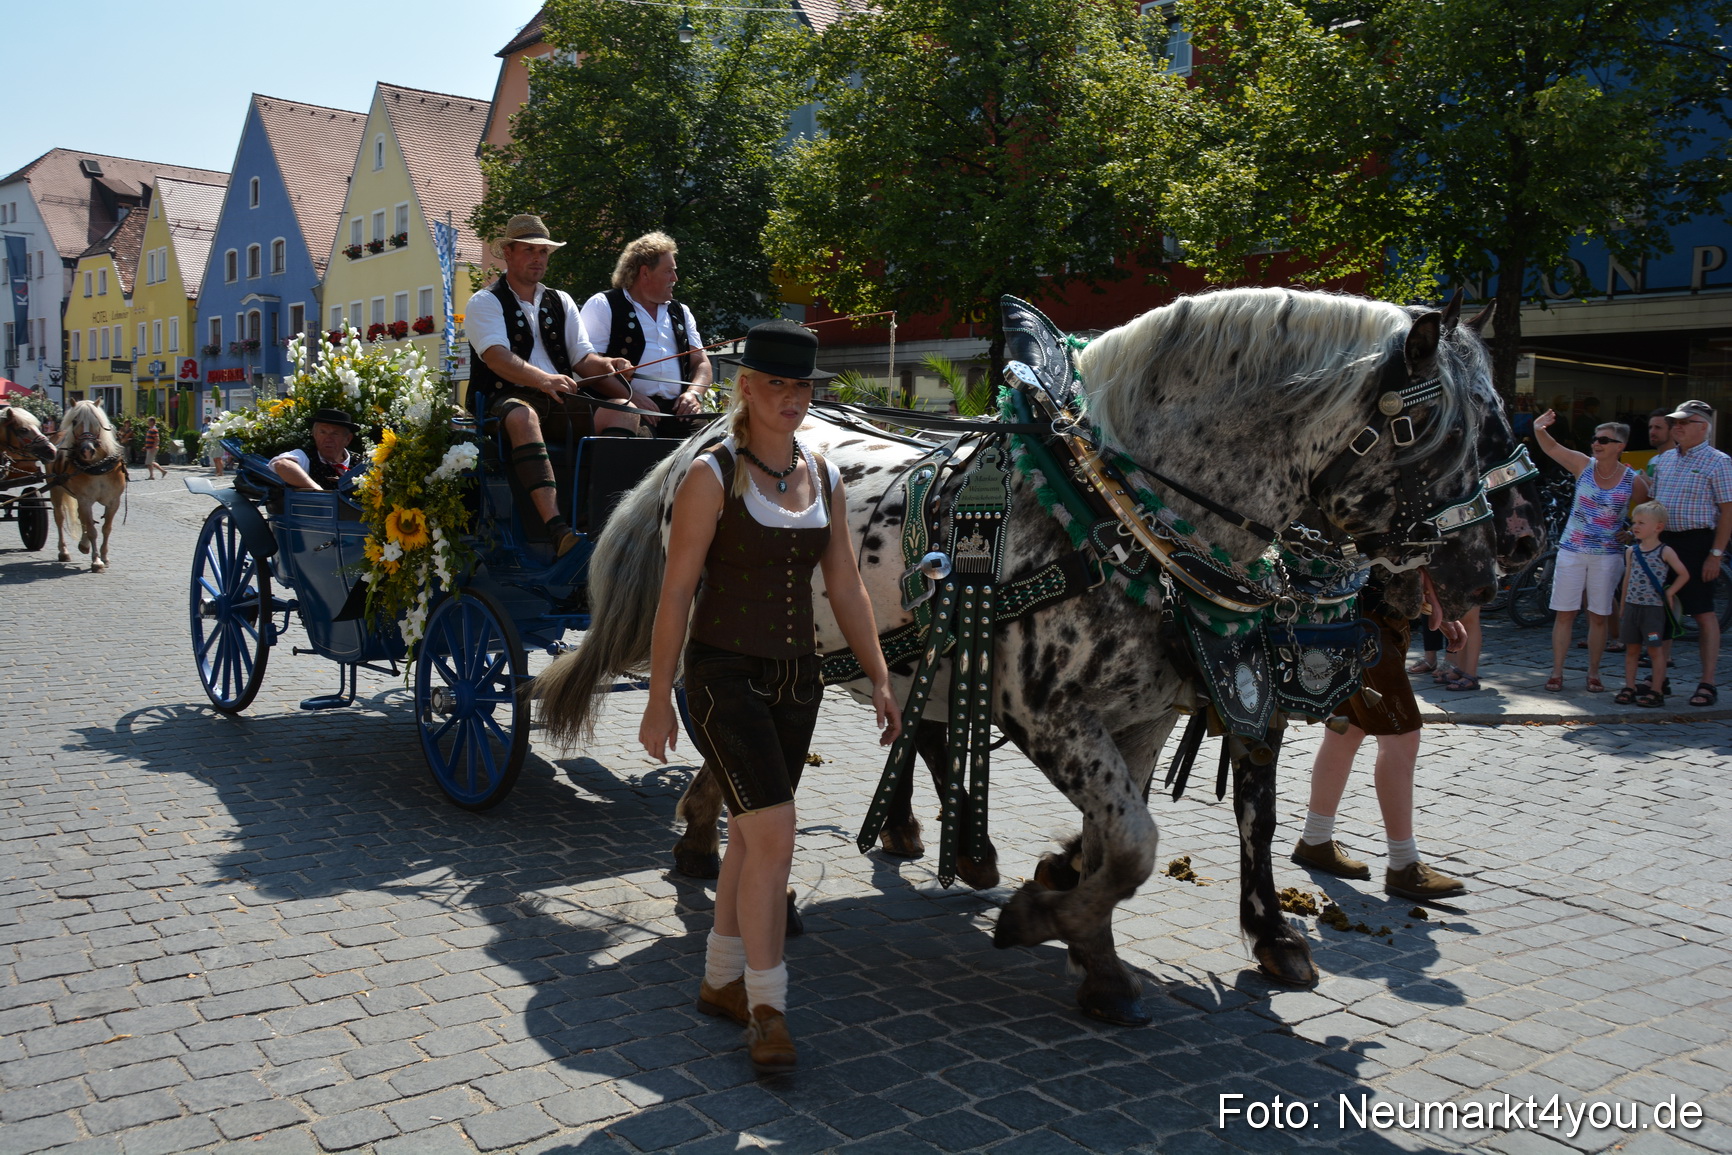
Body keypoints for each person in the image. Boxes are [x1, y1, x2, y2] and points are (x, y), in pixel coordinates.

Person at [638, 320, 899, 1073]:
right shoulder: (711, 475)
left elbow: (845, 585)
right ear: (746, 388)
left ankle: (720, 980)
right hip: (722, 676)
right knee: (777, 833)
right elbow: (677, 592)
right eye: (776, 383)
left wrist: (880, 676)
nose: (792, 397)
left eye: (802, 385)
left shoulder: (824, 473)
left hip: (797, 679)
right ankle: (768, 1007)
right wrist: (658, 695)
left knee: (754, 838)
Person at [467, 214, 639, 557]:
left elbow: (583, 359)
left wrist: (610, 365)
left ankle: (599, 516)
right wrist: (543, 379)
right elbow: (497, 358)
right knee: (522, 416)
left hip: (558, 398)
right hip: (506, 398)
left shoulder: (561, 300)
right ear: (508, 253)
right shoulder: (485, 301)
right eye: (529, 250)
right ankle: (557, 529)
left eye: (543, 251)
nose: (538, 258)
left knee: (625, 412)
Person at [1293, 581, 1468, 901]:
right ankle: (1404, 864)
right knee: (1402, 736)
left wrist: (1434, 607)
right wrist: (1435, 605)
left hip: (1369, 616)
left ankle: (1315, 839)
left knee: (1347, 729)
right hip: (1365, 619)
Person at [1533, 412, 1645, 692]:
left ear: (1620, 446)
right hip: (1572, 551)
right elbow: (1551, 448)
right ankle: (1556, 672)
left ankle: (1593, 673)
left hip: (1607, 556)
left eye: (1604, 440)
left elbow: (1649, 512)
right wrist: (1539, 428)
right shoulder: (1583, 465)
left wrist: (1632, 533)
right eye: (1595, 438)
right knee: (1565, 613)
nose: (1596, 443)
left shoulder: (1632, 479)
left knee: (1598, 615)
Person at [581, 232, 713, 440]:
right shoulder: (603, 305)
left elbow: (701, 362)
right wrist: (632, 397)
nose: (675, 278)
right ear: (645, 273)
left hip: (676, 411)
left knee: (709, 445)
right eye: (668, 271)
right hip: (627, 407)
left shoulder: (681, 312)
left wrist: (694, 394)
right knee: (641, 448)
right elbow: (588, 367)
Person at [1648, 400, 1732, 707]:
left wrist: (1716, 554)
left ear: (1703, 426)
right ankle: (1659, 679)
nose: (1677, 427)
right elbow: (1654, 502)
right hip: (1663, 541)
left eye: (1685, 422)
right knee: (1660, 610)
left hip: (1697, 543)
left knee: (1702, 611)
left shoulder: (1719, 462)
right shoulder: (1664, 459)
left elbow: (1728, 512)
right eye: (1676, 422)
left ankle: (1708, 682)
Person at [1615, 501, 1689, 707]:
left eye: (1641, 523)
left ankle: (1657, 690)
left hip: (1653, 610)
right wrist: (1623, 605)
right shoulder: (1632, 551)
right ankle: (1629, 687)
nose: (1635, 526)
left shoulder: (1665, 551)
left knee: (1655, 651)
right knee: (1632, 650)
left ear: (1658, 527)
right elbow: (1627, 579)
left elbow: (1683, 574)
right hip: (1633, 607)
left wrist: (1670, 592)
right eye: (1634, 522)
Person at [270, 408, 365, 491]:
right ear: (314, 434)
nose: (328, 439)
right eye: (322, 432)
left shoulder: (361, 463)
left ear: (348, 439)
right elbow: (282, 464)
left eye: (335, 433)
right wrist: (318, 491)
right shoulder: (306, 456)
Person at [142, 416, 167, 481]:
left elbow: (157, 439)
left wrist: (154, 447)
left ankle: (152, 476)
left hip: (152, 448)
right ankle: (162, 471)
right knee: (150, 462)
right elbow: (150, 439)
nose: (147, 422)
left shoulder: (154, 429)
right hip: (149, 447)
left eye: (149, 421)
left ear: (152, 422)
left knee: (148, 463)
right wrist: (146, 446)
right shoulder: (151, 429)